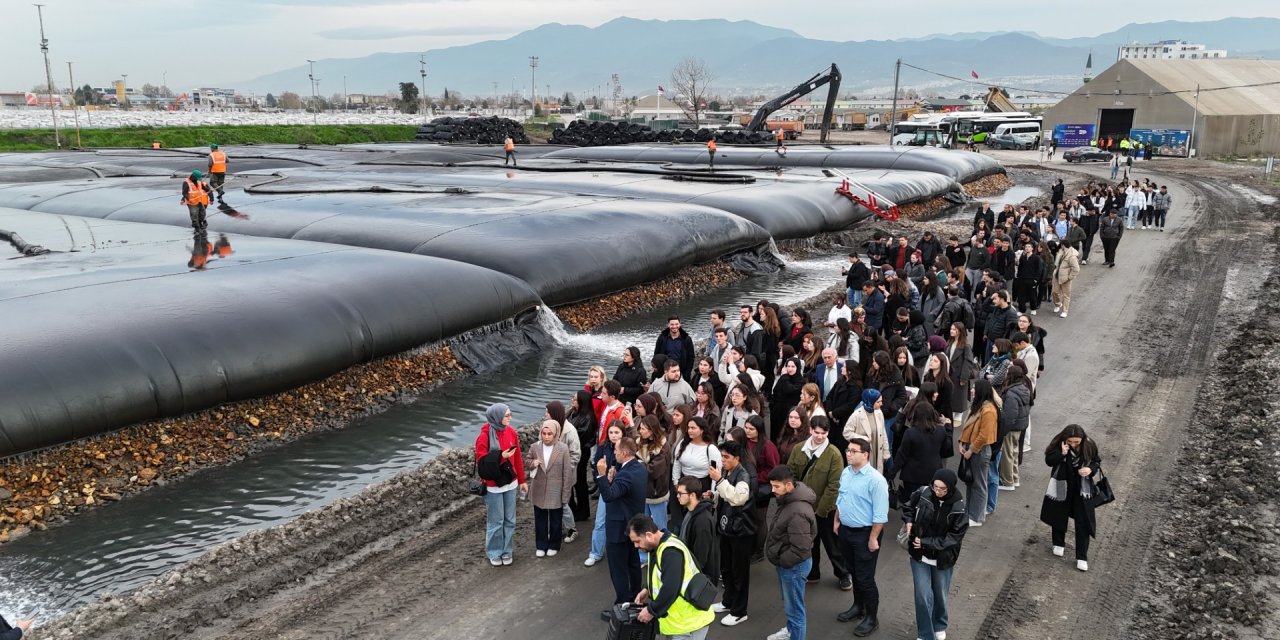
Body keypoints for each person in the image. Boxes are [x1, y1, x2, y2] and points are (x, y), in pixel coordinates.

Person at [901, 469, 969, 640]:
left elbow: (954, 537)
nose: (937, 491)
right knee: (922, 595)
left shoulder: (959, 507)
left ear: (951, 488)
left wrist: (925, 542)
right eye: (935, 486)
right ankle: (925, 634)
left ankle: (939, 624)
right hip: (919, 556)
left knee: (940, 594)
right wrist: (909, 522)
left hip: (942, 558)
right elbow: (908, 506)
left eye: (942, 489)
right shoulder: (924, 492)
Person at [834, 437, 890, 637]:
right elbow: (841, 497)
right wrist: (836, 520)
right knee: (853, 571)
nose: (848, 453)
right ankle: (858, 606)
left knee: (865, 578)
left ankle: (871, 618)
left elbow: (880, 514)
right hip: (846, 531)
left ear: (865, 454)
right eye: (847, 450)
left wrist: (873, 538)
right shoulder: (846, 473)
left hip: (865, 534)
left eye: (852, 451)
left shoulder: (876, 480)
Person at [628, 514, 716, 640]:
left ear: (648, 535)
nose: (636, 546)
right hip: (681, 622)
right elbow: (659, 575)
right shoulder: (658, 546)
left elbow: (671, 587)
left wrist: (651, 611)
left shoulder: (670, 552)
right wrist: (646, 589)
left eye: (637, 541)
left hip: (688, 624)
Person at [786, 416, 849, 590]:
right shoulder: (799, 449)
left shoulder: (834, 454)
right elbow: (791, 475)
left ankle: (843, 573)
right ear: (810, 430)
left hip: (824, 510)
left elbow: (834, 486)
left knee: (832, 545)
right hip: (802, 508)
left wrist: (820, 510)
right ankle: (813, 573)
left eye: (824, 433)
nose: (820, 436)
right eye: (816, 432)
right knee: (809, 544)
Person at [1040, 425, 1104, 571]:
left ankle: (1082, 556)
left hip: (1082, 488)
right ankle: (1058, 543)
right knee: (1058, 512)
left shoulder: (1089, 444)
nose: (1073, 445)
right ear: (1065, 439)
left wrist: (1090, 470)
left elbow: (1096, 461)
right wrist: (1061, 454)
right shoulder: (1058, 443)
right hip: (1062, 483)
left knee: (1083, 519)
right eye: (1070, 442)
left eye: (1077, 442)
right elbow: (1049, 461)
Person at [765, 465, 818, 640]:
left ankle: (795, 634)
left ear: (789, 486)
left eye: (776, 486)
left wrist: (782, 560)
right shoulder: (789, 501)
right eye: (772, 486)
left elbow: (800, 548)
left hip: (793, 567)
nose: (773, 491)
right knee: (791, 607)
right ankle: (790, 632)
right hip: (789, 565)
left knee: (795, 611)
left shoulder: (797, 511)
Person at [709, 440, 756, 627]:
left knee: (740, 572)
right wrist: (713, 495)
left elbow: (738, 498)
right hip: (727, 528)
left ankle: (739, 611)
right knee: (726, 568)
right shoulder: (728, 472)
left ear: (737, 458)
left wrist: (719, 481)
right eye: (722, 456)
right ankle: (728, 601)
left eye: (726, 457)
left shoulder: (743, 476)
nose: (723, 460)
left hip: (741, 531)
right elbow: (725, 494)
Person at [475, 403, 528, 566]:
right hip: (493, 485)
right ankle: (494, 551)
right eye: (507, 415)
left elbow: (518, 458)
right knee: (496, 521)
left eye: (510, 414)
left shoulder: (511, 432)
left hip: (510, 483)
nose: (510, 418)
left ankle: (507, 550)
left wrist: (522, 480)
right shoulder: (483, 437)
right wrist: (501, 456)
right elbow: (482, 463)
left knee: (510, 519)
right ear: (497, 417)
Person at [598, 436, 648, 603]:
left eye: (616, 451)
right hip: (633, 526)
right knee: (633, 564)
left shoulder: (625, 475)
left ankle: (622, 603)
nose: (614, 453)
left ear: (625, 453)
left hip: (618, 529)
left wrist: (602, 475)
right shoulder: (639, 467)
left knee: (618, 569)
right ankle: (636, 596)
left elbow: (609, 496)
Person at [524, 419, 575, 557]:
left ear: (555, 434)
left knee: (555, 521)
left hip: (555, 490)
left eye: (549, 434)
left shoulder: (563, 448)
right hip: (539, 489)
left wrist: (565, 495)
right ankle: (541, 545)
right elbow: (527, 461)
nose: (546, 436)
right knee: (540, 520)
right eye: (544, 433)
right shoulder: (535, 447)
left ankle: (554, 544)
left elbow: (567, 474)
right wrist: (533, 463)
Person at [958, 381, 998, 527]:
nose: (972, 390)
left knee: (979, 484)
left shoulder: (989, 410)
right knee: (971, 482)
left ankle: (977, 517)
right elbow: (967, 426)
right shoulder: (978, 406)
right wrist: (961, 442)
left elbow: (984, 435)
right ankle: (969, 512)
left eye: (975, 388)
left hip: (979, 451)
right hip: (971, 448)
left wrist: (970, 450)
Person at [637, 415, 672, 565]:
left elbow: (654, 471)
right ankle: (644, 556)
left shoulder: (663, 447)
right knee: (643, 525)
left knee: (660, 526)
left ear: (651, 431)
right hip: (642, 491)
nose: (640, 431)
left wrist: (639, 465)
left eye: (643, 429)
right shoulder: (640, 443)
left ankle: (663, 555)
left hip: (657, 493)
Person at [546, 401, 583, 543]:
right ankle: (559, 527)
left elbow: (575, 455)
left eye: (547, 412)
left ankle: (571, 528)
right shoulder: (548, 427)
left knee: (562, 503)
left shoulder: (569, 431)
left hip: (564, 475)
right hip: (550, 475)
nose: (545, 414)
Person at [674, 475, 719, 583]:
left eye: (681, 493)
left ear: (692, 495)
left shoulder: (702, 521)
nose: (677, 496)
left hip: (698, 579)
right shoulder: (691, 511)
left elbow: (700, 558)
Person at [565, 391, 596, 531]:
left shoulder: (587, 418)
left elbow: (581, 437)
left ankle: (583, 511)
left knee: (580, 481)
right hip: (572, 451)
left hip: (581, 452)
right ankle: (575, 508)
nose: (572, 400)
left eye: (575, 399)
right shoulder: (572, 412)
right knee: (574, 481)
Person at [672, 416, 721, 499]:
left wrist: (712, 493)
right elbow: (677, 463)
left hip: (701, 486)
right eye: (688, 428)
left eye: (693, 428)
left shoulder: (711, 449)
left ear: (702, 430)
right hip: (683, 483)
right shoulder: (683, 443)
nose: (690, 430)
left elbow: (715, 473)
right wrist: (676, 482)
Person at [843, 389, 889, 475]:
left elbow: (883, 433)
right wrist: (862, 438)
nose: (881, 404)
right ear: (870, 402)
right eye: (878, 402)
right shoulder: (856, 415)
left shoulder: (879, 412)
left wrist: (885, 452)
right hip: (863, 454)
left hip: (877, 452)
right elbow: (846, 433)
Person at [655, 316, 697, 381]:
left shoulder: (686, 339)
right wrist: (658, 369)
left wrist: (687, 373)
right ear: (668, 325)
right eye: (672, 324)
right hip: (665, 371)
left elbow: (691, 358)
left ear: (680, 324)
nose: (674, 326)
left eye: (676, 324)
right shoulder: (662, 337)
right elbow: (656, 354)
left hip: (681, 372)